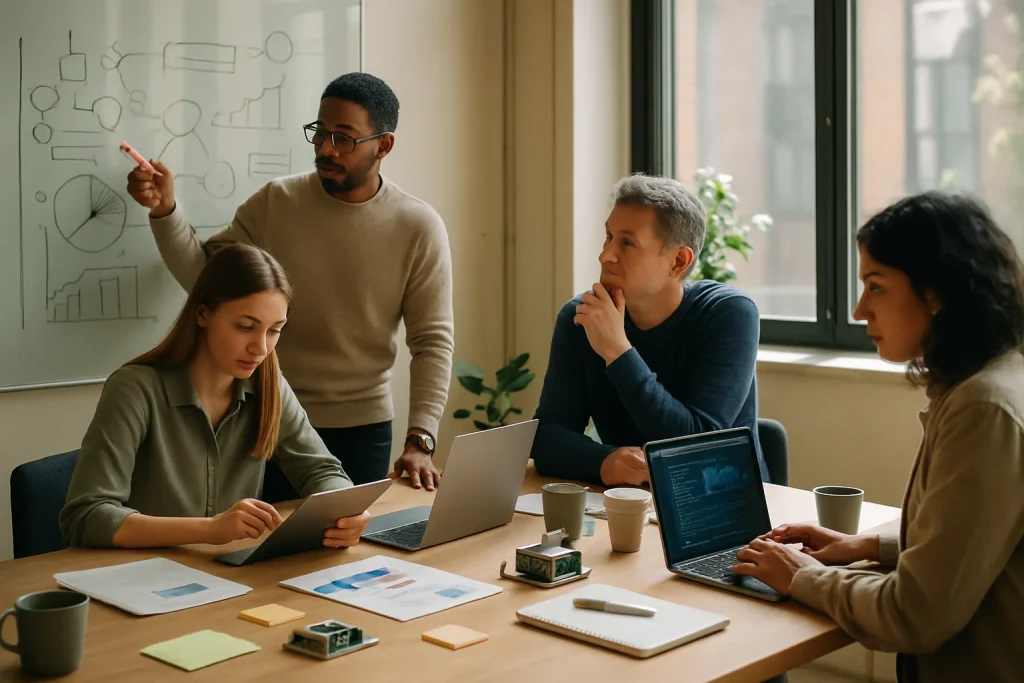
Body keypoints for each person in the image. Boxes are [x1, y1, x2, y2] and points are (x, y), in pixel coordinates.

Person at [732, 192, 1024, 683]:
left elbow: (915, 614)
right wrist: (867, 545)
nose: (860, 308)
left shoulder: (983, 410)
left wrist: (802, 575)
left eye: (876, 286)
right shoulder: (993, 379)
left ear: (936, 294)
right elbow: (974, 537)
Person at [125, 72, 453, 491]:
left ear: (383, 145)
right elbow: (203, 279)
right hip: (264, 416)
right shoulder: (275, 202)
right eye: (319, 133)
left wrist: (420, 439)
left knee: (350, 551)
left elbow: (432, 341)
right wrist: (165, 209)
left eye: (344, 138)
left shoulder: (418, 226)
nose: (325, 149)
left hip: (361, 428)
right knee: (255, 548)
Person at [60, 245, 372, 550]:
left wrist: (346, 512)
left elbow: (322, 472)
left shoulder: (268, 383)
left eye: (275, 330)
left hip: (228, 577)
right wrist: (209, 530)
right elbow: (87, 516)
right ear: (203, 314)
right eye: (246, 327)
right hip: (141, 577)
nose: (261, 348)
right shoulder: (135, 388)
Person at [530, 173, 768, 487]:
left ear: (678, 262)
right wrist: (602, 462)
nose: (605, 255)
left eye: (627, 243)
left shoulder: (728, 315)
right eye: (608, 237)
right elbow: (545, 437)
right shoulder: (582, 318)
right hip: (626, 506)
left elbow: (696, 448)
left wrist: (617, 351)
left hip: (720, 509)